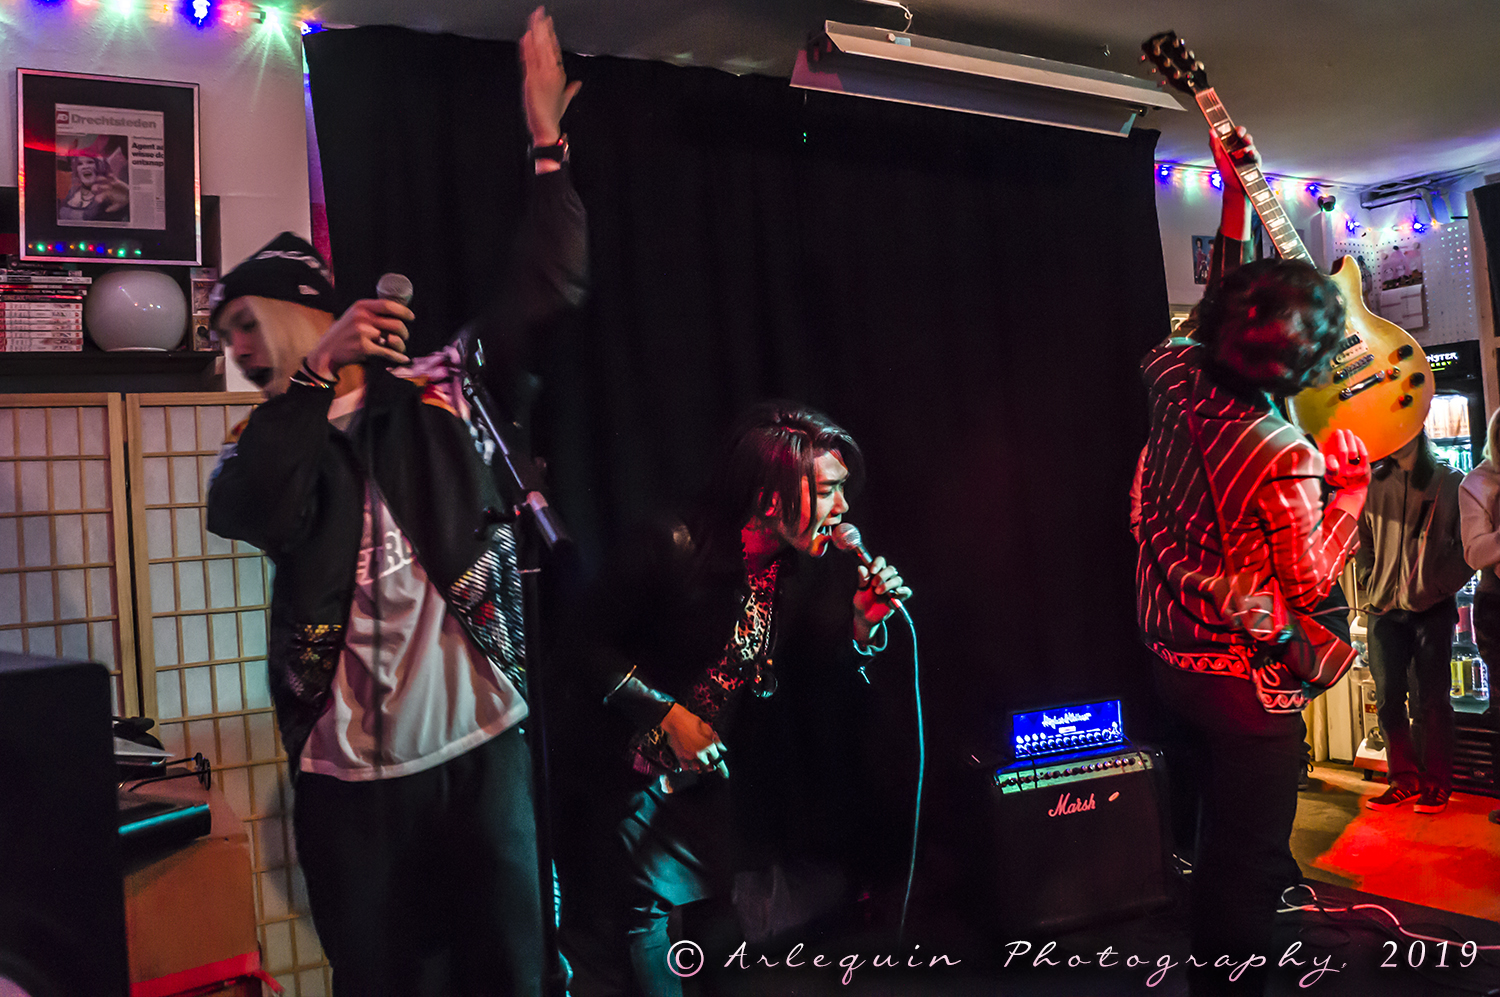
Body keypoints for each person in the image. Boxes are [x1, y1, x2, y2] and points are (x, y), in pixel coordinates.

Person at [204, 8, 585, 995]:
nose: (236, 348)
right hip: (351, 778)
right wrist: (309, 383)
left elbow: (547, 286)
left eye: (244, 322)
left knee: (511, 967)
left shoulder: (439, 391)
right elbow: (249, 510)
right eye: (225, 335)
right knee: (378, 977)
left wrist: (546, 142)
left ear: (303, 310)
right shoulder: (270, 440)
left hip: (484, 744)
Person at [555, 401, 910, 997]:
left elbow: (809, 681)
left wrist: (862, 629)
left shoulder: (795, 567)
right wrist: (665, 714)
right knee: (639, 922)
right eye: (828, 491)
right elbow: (579, 645)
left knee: (713, 923)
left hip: (698, 781)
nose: (844, 509)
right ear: (769, 498)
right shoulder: (670, 543)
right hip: (617, 768)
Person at [1134, 126, 1369, 996]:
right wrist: (1350, 498)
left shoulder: (1170, 372)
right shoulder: (1283, 451)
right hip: (1241, 685)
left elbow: (1214, 312)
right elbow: (1308, 581)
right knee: (1246, 866)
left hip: (1169, 653)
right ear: (1305, 372)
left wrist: (1235, 197)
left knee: (1210, 846)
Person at [1356, 432, 1469, 814]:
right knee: (1388, 698)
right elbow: (1363, 542)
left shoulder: (1450, 481)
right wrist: (1370, 580)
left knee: (1432, 701)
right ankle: (1403, 779)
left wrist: (1437, 586)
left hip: (1432, 608)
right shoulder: (1372, 483)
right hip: (1383, 609)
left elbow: (1467, 548)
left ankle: (1436, 784)